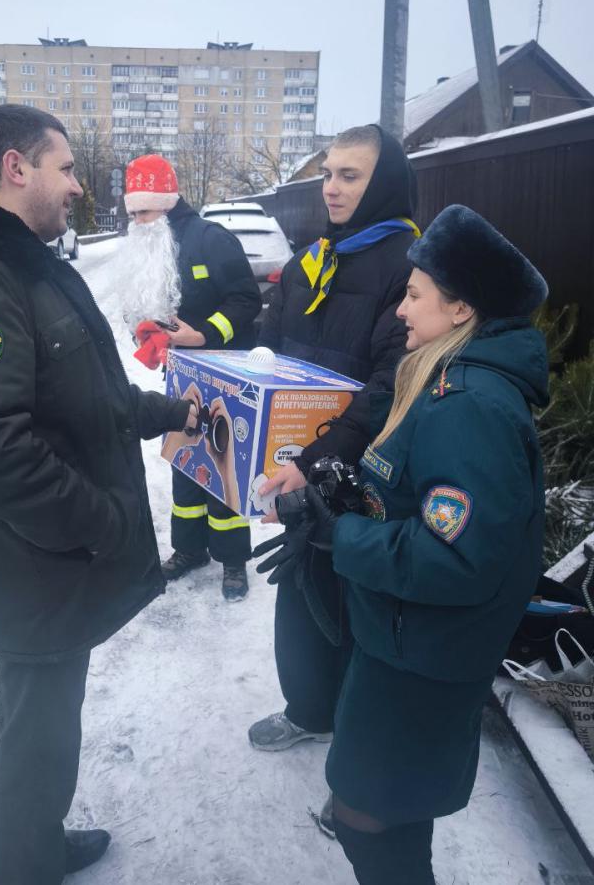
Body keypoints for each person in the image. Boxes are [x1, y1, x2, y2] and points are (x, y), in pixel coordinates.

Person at [0, 106, 195, 885]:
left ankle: (36, 845)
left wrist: (169, 413)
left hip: (49, 560)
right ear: (16, 167)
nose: (77, 186)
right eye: (65, 168)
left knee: (45, 725)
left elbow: (81, 394)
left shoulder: (21, 263)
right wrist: (103, 522)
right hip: (34, 562)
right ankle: (24, 865)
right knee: (37, 734)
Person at [257, 204, 549, 884]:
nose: (400, 310)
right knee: (385, 808)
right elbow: (419, 498)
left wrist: (343, 536)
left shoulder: (470, 405)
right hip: (401, 639)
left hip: (423, 659)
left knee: (372, 824)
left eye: (415, 295)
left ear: (461, 308)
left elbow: (459, 558)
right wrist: (341, 499)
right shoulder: (446, 379)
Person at [248, 124, 419, 749]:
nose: (331, 188)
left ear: (385, 183)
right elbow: (270, 344)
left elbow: (395, 381)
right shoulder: (312, 259)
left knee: (353, 606)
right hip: (300, 462)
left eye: (350, 176)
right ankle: (310, 709)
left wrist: (321, 457)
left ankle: (357, 745)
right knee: (300, 590)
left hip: (365, 472)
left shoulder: (410, 266)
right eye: (327, 174)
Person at [115, 153, 261, 601]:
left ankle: (232, 558)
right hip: (181, 374)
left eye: (143, 212)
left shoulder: (210, 239)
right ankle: (190, 549)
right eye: (133, 213)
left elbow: (246, 300)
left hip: (224, 374)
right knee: (184, 460)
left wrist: (204, 334)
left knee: (223, 464)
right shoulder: (153, 242)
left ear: (164, 204)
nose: (137, 222)